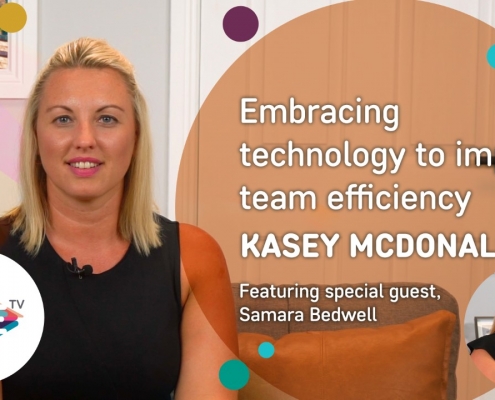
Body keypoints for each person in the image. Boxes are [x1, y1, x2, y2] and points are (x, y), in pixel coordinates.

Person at [0, 37, 238, 399]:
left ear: (135, 136)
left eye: (107, 119)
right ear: (35, 134)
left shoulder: (195, 259)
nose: (85, 139)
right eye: (63, 119)